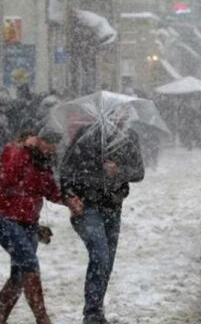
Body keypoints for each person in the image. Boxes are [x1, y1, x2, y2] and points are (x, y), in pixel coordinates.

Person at [0, 129, 83, 324]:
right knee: (29, 265)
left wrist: (68, 200)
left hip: (29, 224)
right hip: (5, 219)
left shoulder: (43, 164)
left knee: (19, 274)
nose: (51, 150)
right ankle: (42, 318)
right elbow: (7, 177)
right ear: (36, 140)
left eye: (54, 147)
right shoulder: (13, 151)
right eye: (48, 144)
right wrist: (23, 151)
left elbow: (50, 190)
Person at [60, 110, 145, 324]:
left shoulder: (129, 138)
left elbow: (139, 172)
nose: (118, 119)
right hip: (87, 206)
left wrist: (119, 170)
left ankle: (96, 310)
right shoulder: (86, 135)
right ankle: (91, 314)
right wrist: (70, 195)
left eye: (121, 114)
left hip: (113, 207)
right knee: (100, 256)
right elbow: (66, 170)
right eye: (113, 114)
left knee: (107, 261)